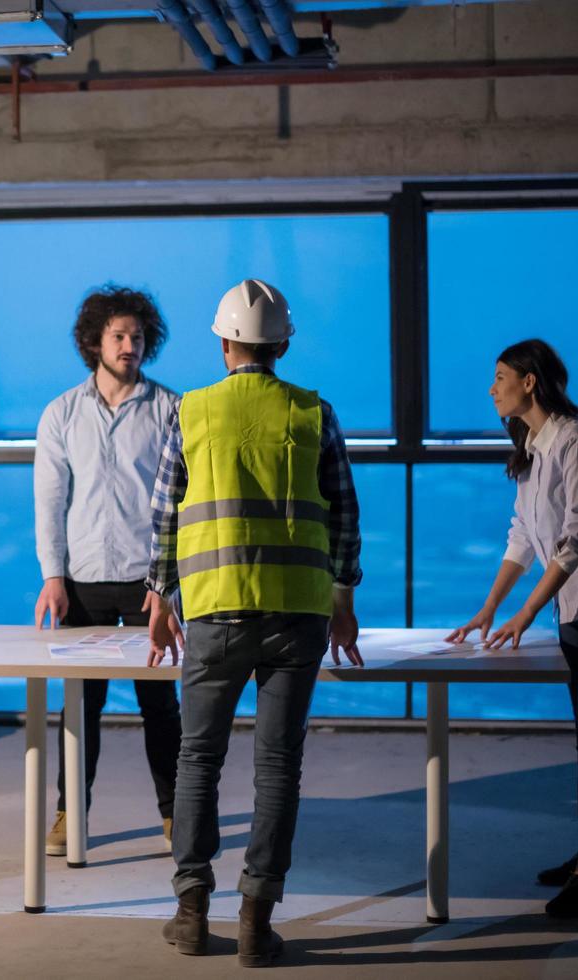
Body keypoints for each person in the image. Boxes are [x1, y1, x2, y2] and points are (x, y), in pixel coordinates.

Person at [145, 279, 362, 967]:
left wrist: (158, 598)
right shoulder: (311, 412)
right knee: (278, 767)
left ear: (223, 343)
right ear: (283, 345)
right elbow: (344, 514)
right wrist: (343, 601)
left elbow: (163, 513)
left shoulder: (191, 411)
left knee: (196, 759)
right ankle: (254, 923)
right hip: (297, 611)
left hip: (211, 611)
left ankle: (188, 913)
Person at [446, 338, 578, 920]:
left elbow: (577, 540)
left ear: (530, 381)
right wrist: (491, 608)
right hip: (574, 607)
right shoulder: (532, 445)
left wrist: (527, 613)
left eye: (500, 377)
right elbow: (522, 535)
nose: (492, 388)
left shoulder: (577, 441)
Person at [33, 285, 184, 858]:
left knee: (160, 706)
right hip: (83, 581)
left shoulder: (171, 408)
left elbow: (182, 501)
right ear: (94, 341)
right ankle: (69, 814)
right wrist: (53, 575)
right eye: (119, 336)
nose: (129, 345)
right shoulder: (62, 413)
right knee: (81, 706)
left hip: (151, 582)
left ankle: (176, 814)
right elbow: (50, 500)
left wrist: (169, 582)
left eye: (138, 337)